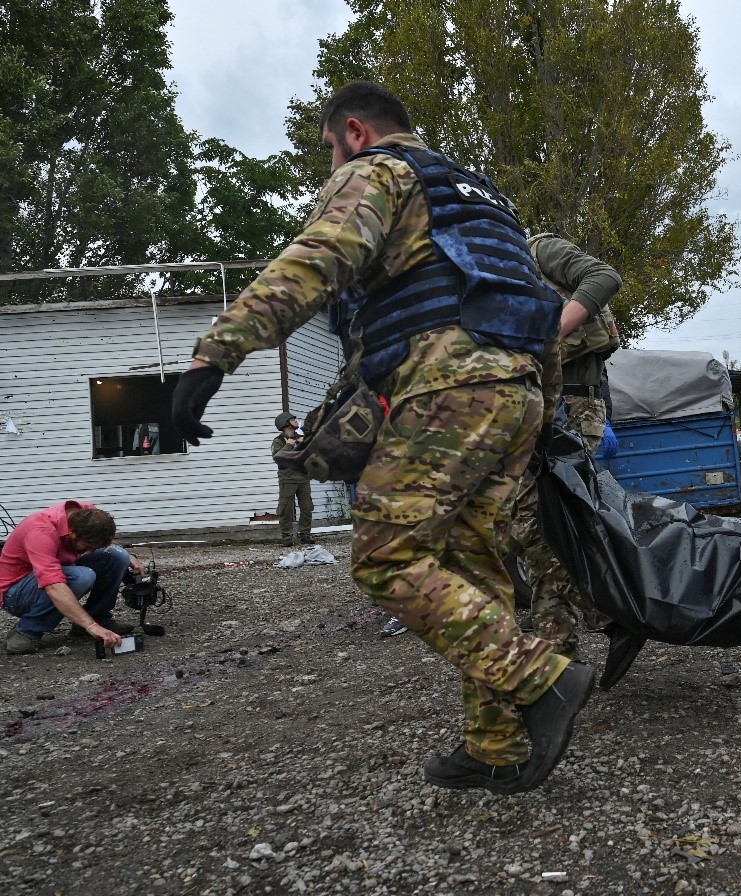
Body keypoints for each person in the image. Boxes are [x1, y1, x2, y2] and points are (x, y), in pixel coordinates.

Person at [170, 81, 595, 794]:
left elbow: (318, 257)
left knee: (385, 553)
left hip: (449, 387)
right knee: (473, 567)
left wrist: (216, 352)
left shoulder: (382, 173)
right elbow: (534, 308)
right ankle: (494, 744)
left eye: (328, 149)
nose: (329, 163)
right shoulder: (482, 199)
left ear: (355, 132)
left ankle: (539, 679)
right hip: (515, 392)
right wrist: (540, 407)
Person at [510, 232, 622, 656]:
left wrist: (546, 336)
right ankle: (576, 638)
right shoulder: (487, 280)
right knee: (539, 525)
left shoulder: (538, 250)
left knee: (547, 524)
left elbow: (604, 277)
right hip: (535, 406)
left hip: (572, 405)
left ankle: (595, 626)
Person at [1, 501, 140, 654]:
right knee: (81, 577)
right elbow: (53, 585)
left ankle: (97, 618)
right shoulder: (41, 532)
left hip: (59, 571)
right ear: (72, 533)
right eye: (87, 546)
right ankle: (26, 630)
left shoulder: (88, 515)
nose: (90, 552)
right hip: (16, 593)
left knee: (118, 556)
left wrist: (127, 556)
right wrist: (91, 627)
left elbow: (105, 542)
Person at [271, 412, 314, 547]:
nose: (296, 420)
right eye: (292, 419)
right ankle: (287, 536)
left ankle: (305, 534)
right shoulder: (278, 441)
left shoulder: (301, 437)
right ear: (285, 423)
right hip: (287, 479)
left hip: (303, 478)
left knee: (307, 508)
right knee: (286, 509)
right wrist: (289, 444)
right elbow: (278, 458)